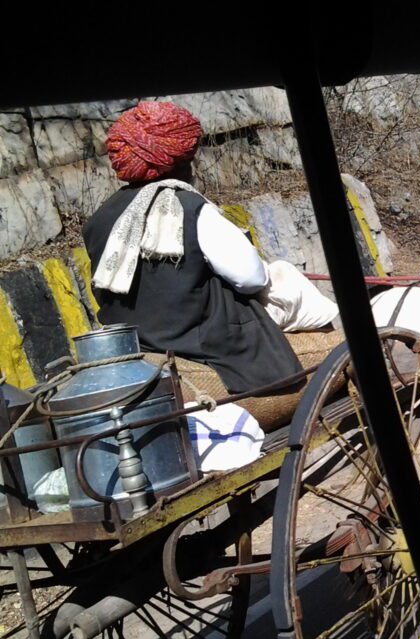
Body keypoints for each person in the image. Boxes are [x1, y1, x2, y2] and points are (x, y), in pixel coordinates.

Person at [84, 102, 339, 427]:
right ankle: (337, 340)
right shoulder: (190, 208)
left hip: (140, 343)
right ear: (181, 162)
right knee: (285, 280)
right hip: (206, 345)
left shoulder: (100, 220)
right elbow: (251, 277)